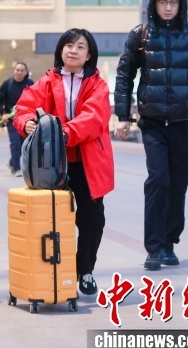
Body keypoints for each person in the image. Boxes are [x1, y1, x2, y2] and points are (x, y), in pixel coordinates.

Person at [114, 0, 188, 271]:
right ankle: (154, 248)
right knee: (158, 179)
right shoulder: (141, 35)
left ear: (181, 4)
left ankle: (169, 242)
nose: (168, 7)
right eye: (163, 2)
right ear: (154, 4)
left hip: (184, 122)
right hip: (152, 122)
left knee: (177, 185)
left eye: (173, 2)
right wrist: (123, 116)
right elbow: (125, 75)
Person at [14, 28, 115, 297]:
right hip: (52, 162)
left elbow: (94, 117)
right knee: (52, 219)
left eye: (81, 47)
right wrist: (26, 123)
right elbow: (24, 108)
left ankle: (86, 270)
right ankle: (57, 274)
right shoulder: (46, 82)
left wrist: (63, 133)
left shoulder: (98, 85)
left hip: (88, 162)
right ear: (60, 50)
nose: (74, 50)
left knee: (92, 219)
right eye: (69, 45)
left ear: (89, 54)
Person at [0, 63, 34, 175]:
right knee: (15, 143)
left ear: (26, 72)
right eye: (17, 70)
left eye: (22, 70)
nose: (19, 72)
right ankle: (16, 168)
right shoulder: (7, 84)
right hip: (11, 119)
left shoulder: (30, 84)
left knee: (23, 145)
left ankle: (12, 161)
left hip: (25, 119)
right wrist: (2, 114)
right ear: (14, 71)